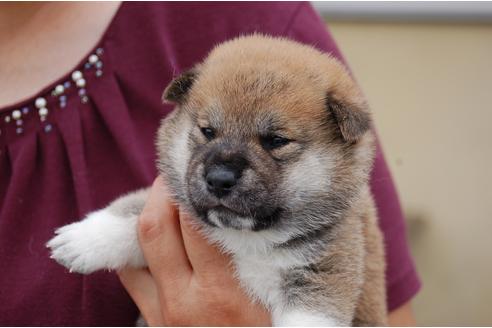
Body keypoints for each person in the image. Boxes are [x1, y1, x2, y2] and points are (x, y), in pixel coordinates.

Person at [0, 2, 420, 326]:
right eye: (207, 133)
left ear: (342, 136)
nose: (220, 172)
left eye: (275, 143)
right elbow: (154, 213)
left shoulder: (239, 12)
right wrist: (116, 232)